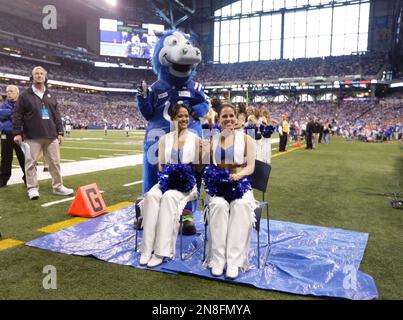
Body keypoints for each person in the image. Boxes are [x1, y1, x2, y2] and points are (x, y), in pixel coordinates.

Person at [139, 103, 200, 267]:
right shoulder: (165, 139)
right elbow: (160, 165)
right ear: (173, 118)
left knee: (168, 197)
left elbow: (199, 169)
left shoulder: (195, 139)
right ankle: (147, 249)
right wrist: (169, 175)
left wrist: (203, 153)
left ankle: (161, 251)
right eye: (180, 116)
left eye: (186, 116)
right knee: (151, 195)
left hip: (187, 185)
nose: (184, 119)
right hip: (166, 181)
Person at [203, 103, 257, 280]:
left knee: (240, 205)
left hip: (240, 184)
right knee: (218, 205)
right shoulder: (213, 139)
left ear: (236, 117)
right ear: (219, 119)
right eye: (224, 116)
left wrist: (238, 175)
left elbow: (250, 167)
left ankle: (234, 261)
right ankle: (217, 260)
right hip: (218, 186)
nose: (228, 119)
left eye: (231, 116)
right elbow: (206, 166)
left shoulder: (247, 138)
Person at [12, 66, 74, 200]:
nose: (39, 75)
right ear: (32, 76)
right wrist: (17, 132)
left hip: (51, 135)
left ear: (45, 76)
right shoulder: (24, 95)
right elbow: (17, 115)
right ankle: (32, 188)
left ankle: (58, 186)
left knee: (55, 162)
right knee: (30, 163)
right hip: (32, 136)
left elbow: (57, 115)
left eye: (41, 73)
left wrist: (60, 132)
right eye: (36, 73)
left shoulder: (50, 95)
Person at [0, 85, 25, 187]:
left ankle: (29, 179)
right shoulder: (3, 104)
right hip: (6, 134)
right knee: (5, 157)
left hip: (20, 134)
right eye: (7, 91)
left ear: (17, 93)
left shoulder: (23, 104)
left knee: (23, 157)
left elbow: (24, 117)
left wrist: (7, 114)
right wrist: (13, 113)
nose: (8, 93)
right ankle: (2, 180)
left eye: (11, 91)